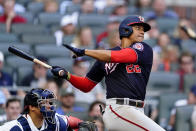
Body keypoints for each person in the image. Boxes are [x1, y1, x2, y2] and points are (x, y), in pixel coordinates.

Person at [51, 15, 165, 131]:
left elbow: (118, 56)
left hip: (137, 110)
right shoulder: (105, 56)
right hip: (119, 109)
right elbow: (86, 85)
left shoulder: (144, 49)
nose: (142, 32)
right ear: (126, 30)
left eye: (143, 29)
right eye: (138, 28)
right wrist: (67, 75)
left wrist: (85, 52)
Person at [0, 88, 97, 131]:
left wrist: (81, 123)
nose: (49, 106)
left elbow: (68, 120)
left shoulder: (53, 120)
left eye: (49, 102)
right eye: (43, 103)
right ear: (32, 107)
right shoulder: (15, 128)